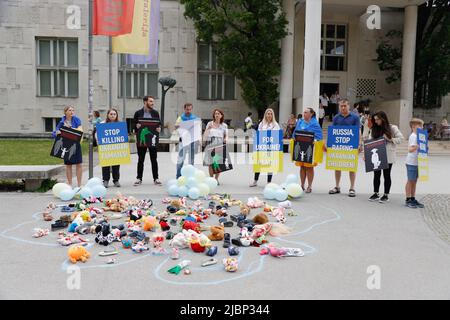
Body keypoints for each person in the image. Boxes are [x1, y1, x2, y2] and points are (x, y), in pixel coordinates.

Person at [367, 111, 404, 203]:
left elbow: (401, 139)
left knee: (386, 175)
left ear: (383, 119)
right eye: (374, 119)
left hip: (388, 155)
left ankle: (386, 195)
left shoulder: (392, 128)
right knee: (376, 175)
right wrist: (366, 154)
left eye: (377, 119)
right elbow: (369, 141)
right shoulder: (373, 129)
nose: (376, 121)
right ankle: (376, 193)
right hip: (377, 154)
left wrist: (390, 139)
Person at [328, 99, 361, 197]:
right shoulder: (336, 117)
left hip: (351, 145)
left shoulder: (355, 117)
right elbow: (332, 132)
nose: (343, 108)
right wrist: (329, 144)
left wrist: (360, 144)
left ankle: (352, 187)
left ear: (348, 106)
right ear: (339, 107)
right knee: (337, 166)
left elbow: (358, 131)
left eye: (345, 106)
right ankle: (337, 186)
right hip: (338, 145)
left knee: (351, 166)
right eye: (341, 106)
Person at [292, 107, 323, 193]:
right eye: (304, 112)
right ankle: (302, 185)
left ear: (311, 114)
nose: (304, 114)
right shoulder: (300, 122)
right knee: (302, 167)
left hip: (310, 148)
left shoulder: (315, 124)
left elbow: (319, 137)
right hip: (300, 146)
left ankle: (309, 186)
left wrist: (315, 141)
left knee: (309, 167)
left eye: (306, 112)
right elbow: (295, 133)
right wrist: (294, 138)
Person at [133, 96, 162, 186]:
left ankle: (156, 178)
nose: (152, 103)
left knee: (154, 159)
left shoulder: (155, 113)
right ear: (145, 102)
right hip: (142, 139)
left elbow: (159, 124)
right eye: (151, 101)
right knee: (141, 159)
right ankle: (139, 178)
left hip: (152, 139)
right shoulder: (138, 113)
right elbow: (134, 125)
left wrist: (159, 128)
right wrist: (136, 126)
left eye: (153, 101)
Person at [52, 106, 83, 187]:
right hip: (66, 145)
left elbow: (80, 129)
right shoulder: (62, 121)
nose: (72, 112)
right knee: (68, 165)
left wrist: (72, 129)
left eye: (73, 110)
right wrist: (57, 132)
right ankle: (70, 183)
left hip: (76, 144)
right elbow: (55, 133)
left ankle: (79, 184)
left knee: (79, 164)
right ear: (65, 112)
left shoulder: (76, 119)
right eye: (70, 110)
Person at [250, 108, 280, 187]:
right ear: (265, 115)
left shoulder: (275, 124)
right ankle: (255, 181)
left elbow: (277, 136)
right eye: (268, 114)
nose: (269, 115)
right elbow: (258, 135)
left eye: (270, 114)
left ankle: (269, 182)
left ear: (272, 115)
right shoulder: (261, 124)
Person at [203, 109, 229, 184]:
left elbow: (226, 135)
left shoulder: (224, 125)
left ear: (221, 115)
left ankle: (216, 179)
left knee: (218, 162)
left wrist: (225, 139)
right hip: (210, 142)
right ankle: (211, 179)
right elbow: (205, 134)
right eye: (215, 114)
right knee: (211, 163)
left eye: (218, 113)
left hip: (220, 143)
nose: (217, 115)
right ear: (214, 115)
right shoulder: (210, 123)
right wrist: (208, 129)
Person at [175, 103, 200, 179]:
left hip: (192, 141)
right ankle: (178, 176)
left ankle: (190, 176)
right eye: (187, 109)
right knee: (180, 160)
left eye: (189, 109)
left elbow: (198, 129)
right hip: (183, 141)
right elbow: (175, 127)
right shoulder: (180, 118)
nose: (188, 111)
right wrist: (180, 126)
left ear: (191, 109)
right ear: (184, 109)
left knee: (191, 160)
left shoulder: (195, 118)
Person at [98, 109, 122, 188]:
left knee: (116, 164)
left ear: (116, 115)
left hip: (116, 147)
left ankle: (116, 180)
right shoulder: (102, 124)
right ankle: (105, 180)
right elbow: (97, 135)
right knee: (106, 164)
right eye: (111, 114)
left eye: (114, 114)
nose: (112, 115)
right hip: (105, 147)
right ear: (108, 115)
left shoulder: (119, 125)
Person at [405, 118, 425, 209]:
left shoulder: (419, 136)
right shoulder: (413, 136)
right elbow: (410, 149)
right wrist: (417, 146)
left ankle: (413, 198)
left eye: (422, 125)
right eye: (419, 125)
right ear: (413, 126)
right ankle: (408, 199)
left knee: (414, 181)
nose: (421, 127)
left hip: (418, 161)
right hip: (411, 162)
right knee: (410, 181)